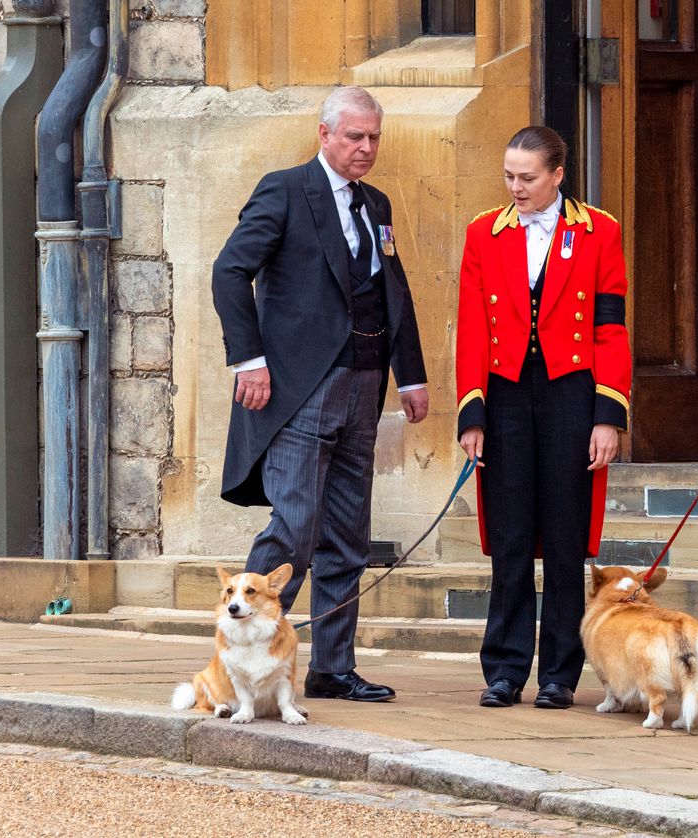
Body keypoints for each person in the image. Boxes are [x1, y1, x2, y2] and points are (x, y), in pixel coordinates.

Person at [212, 86, 428, 703]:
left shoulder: (377, 204)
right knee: (297, 527)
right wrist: (248, 360)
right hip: (298, 392)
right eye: (355, 136)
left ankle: (332, 668)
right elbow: (230, 270)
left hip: (364, 388)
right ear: (324, 135)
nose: (366, 148)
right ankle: (243, 661)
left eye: (374, 138)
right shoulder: (284, 189)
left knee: (347, 535)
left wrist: (409, 375)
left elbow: (395, 293)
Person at [455, 126, 632, 710]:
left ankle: (559, 674)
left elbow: (610, 326)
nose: (516, 188)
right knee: (508, 539)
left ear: (558, 174)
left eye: (527, 178)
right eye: (509, 176)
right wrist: (471, 413)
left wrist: (608, 415)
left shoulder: (599, 230)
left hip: (571, 395)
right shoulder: (484, 232)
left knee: (563, 540)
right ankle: (504, 670)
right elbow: (472, 328)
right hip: (504, 396)